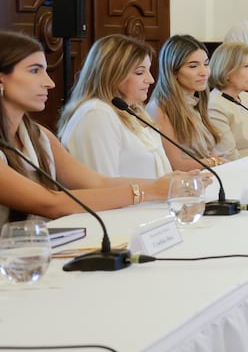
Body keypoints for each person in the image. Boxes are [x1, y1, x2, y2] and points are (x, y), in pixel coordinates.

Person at [0, 31, 180, 222]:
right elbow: (52, 204)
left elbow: (97, 182)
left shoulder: (38, 134)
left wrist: (168, 185)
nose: (49, 83)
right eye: (35, 71)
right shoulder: (95, 112)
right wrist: (151, 191)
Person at [58, 34, 171, 179]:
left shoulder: (136, 112)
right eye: (139, 72)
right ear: (113, 73)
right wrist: (157, 187)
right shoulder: (96, 114)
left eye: (149, 70)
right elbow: (102, 185)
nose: (151, 79)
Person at [148, 35, 226, 170]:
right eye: (193, 66)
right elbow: (175, 164)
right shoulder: (160, 107)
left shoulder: (196, 102)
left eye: (206, 64)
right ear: (173, 71)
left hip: (207, 175)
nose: (204, 72)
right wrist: (215, 162)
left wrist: (217, 163)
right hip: (185, 180)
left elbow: (209, 151)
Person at [207, 42, 248, 160]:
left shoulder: (247, 97)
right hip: (240, 166)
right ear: (227, 70)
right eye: (246, 66)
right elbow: (229, 155)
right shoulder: (214, 105)